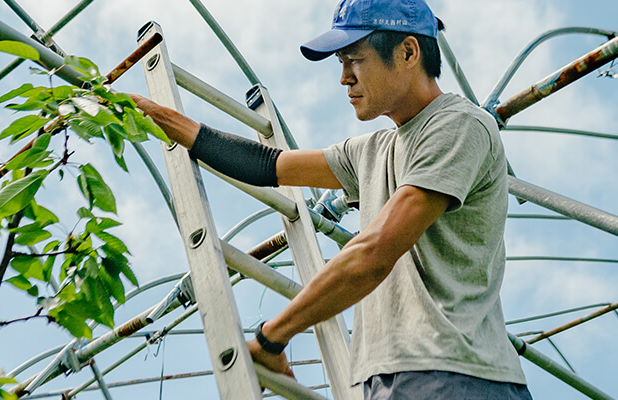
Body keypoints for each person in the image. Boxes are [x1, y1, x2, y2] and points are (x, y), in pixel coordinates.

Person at [129, 0, 532, 398]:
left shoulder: (458, 125)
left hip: (457, 375)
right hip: (391, 377)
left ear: (408, 52)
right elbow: (268, 164)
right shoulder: (372, 150)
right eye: (341, 62)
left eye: (354, 59)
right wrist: (153, 114)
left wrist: (273, 338)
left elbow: (374, 252)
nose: (344, 78)